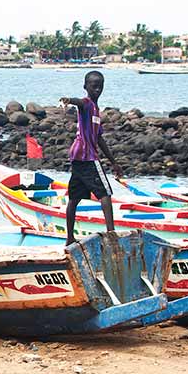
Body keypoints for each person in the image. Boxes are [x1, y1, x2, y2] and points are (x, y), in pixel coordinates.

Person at [60, 70, 122, 245]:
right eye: (93, 86)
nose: (97, 89)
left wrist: (113, 162)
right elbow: (79, 102)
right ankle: (112, 235)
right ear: (85, 86)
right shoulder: (87, 104)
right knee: (105, 193)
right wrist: (69, 100)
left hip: (78, 157)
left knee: (74, 198)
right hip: (87, 157)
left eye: (100, 86)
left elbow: (99, 138)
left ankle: (70, 238)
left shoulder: (96, 110)